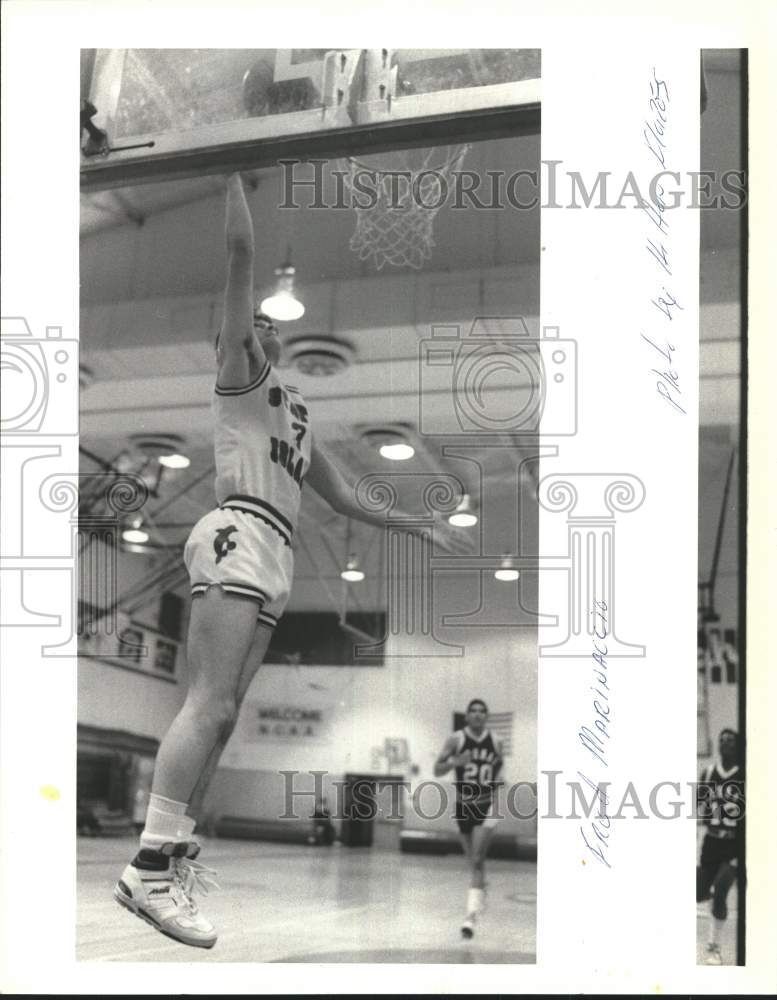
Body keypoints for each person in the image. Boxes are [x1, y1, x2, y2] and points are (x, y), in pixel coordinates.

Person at [113, 172, 468, 949]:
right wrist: (233, 168)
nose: (267, 331)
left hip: (274, 549)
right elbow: (239, 250)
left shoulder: (298, 417)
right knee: (206, 704)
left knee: (226, 712)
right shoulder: (239, 377)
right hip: (239, 529)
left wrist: (419, 522)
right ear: (236, 344)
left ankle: (170, 856)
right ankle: (146, 869)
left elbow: (351, 501)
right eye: (253, 327)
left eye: (267, 331)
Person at [434, 698, 503, 939]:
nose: (477, 715)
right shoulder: (456, 739)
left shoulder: (496, 741)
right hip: (463, 806)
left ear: (486, 716)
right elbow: (437, 769)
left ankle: (470, 918)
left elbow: (500, 772)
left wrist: (497, 783)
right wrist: (455, 761)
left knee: (475, 859)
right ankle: (481, 891)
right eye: (472, 711)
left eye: (481, 711)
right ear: (466, 716)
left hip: (487, 806)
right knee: (473, 862)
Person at [696, 728, 744, 965]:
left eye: (731, 741)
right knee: (698, 892)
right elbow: (699, 809)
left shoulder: (745, 776)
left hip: (735, 844)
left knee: (720, 891)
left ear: (738, 746)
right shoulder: (708, 773)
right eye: (722, 740)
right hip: (712, 842)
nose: (726, 744)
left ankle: (714, 948)